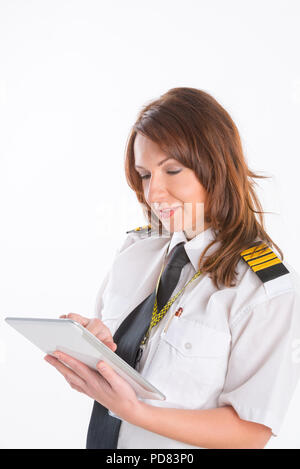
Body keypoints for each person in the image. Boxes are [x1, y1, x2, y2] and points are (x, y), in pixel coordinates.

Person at [44, 87, 300, 449]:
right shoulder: (137, 251)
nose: (153, 193)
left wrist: (134, 411)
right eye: (145, 174)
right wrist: (97, 348)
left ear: (215, 166)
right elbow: (134, 362)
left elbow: (251, 431)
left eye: (172, 170)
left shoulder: (261, 288)